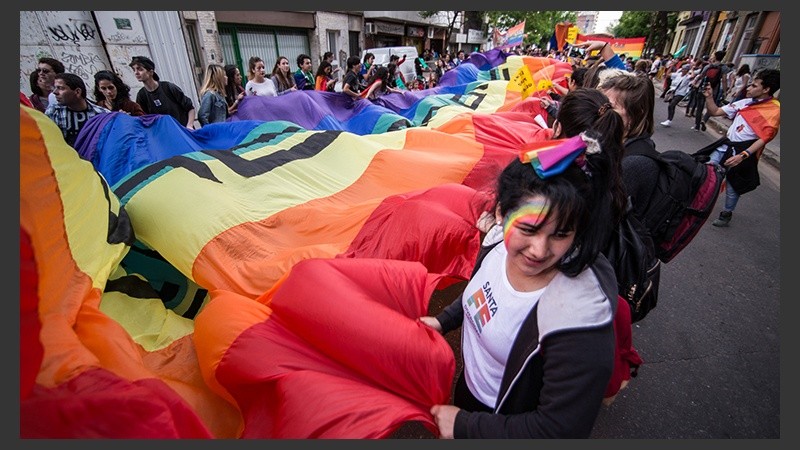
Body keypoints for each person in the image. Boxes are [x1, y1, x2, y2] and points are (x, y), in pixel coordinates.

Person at [421, 88, 627, 439]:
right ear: (501, 213)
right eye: (528, 229)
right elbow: (480, 291)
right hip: (472, 394)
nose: (538, 250)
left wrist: (465, 426)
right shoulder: (497, 245)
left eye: (561, 234)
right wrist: (443, 320)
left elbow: (559, 429)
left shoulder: (578, 316)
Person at [699, 69, 780, 227]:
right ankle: (700, 204)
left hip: (744, 151)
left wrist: (742, 156)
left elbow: (764, 138)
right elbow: (715, 111)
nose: (748, 87)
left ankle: (726, 213)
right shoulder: (744, 102)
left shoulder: (774, 111)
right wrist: (709, 97)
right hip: (726, 145)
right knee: (709, 173)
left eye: (754, 85)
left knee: (732, 186)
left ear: (766, 89)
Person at [129, 55, 196, 129]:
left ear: (151, 72)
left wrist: (189, 126)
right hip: (164, 135)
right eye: (134, 70)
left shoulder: (168, 87)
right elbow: (144, 119)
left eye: (140, 69)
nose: (136, 73)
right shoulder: (142, 95)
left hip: (182, 131)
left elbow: (190, 108)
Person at [45, 73, 110, 147]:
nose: (55, 92)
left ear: (77, 92)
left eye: (61, 88)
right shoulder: (53, 112)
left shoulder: (102, 114)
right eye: (55, 88)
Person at [692, 50, 726, 132]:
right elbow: (724, 80)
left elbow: (701, 76)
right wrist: (725, 91)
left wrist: (694, 82)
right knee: (711, 107)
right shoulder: (724, 68)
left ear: (715, 57)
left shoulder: (708, 66)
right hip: (714, 90)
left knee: (699, 108)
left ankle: (697, 126)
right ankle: (704, 120)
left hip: (703, 88)